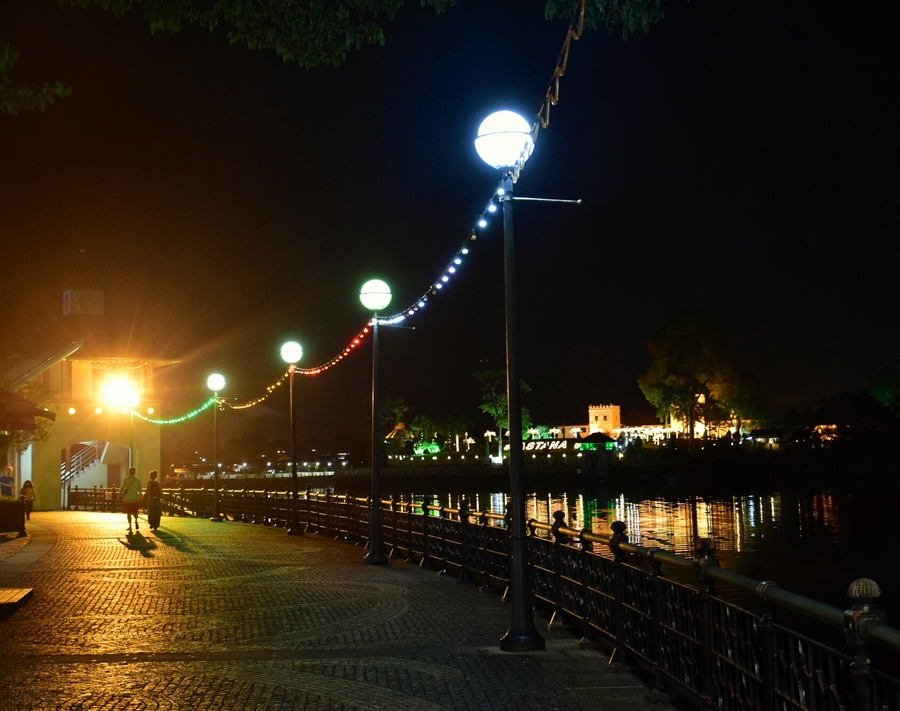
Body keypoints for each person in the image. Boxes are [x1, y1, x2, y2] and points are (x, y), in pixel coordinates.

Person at [120, 467, 142, 533]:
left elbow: (122, 489)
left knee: (128, 513)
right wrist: (140, 498)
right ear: (134, 472)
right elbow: (140, 491)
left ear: (129, 472)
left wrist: (119, 496)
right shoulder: (138, 480)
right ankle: (136, 520)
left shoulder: (126, 480)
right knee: (135, 512)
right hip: (135, 499)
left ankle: (130, 526)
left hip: (127, 499)